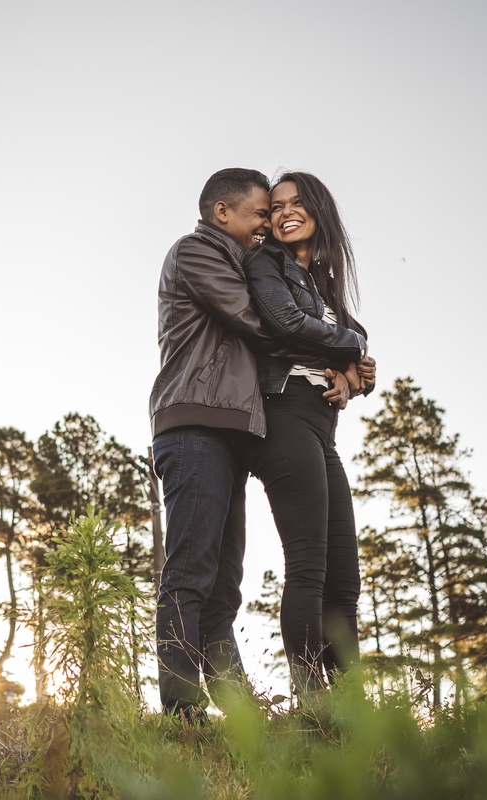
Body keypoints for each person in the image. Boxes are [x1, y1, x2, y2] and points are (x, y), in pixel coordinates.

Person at [149, 168, 364, 717]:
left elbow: (288, 325)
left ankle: (241, 714)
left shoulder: (254, 261)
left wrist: (347, 360)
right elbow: (264, 323)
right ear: (224, 212)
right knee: (190, 572)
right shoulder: (199, 252)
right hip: (195, 423)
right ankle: (181, 709)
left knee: (223, 584)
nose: (268, 223)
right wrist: (339, 350)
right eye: (261, 212)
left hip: (232, 429)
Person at [241, 171, 376, 699]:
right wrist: (348, 355)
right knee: (309, 567)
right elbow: (285, 324)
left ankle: (350, 706)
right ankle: (311, 699)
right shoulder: (265, 262)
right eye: (276, 207)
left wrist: (351, 371)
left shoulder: (323, 283)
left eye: (296, 203)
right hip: (284, 415)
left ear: (319, 209)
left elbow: (356, 343)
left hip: (322, 429)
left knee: (345, 579)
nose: (285, 212)